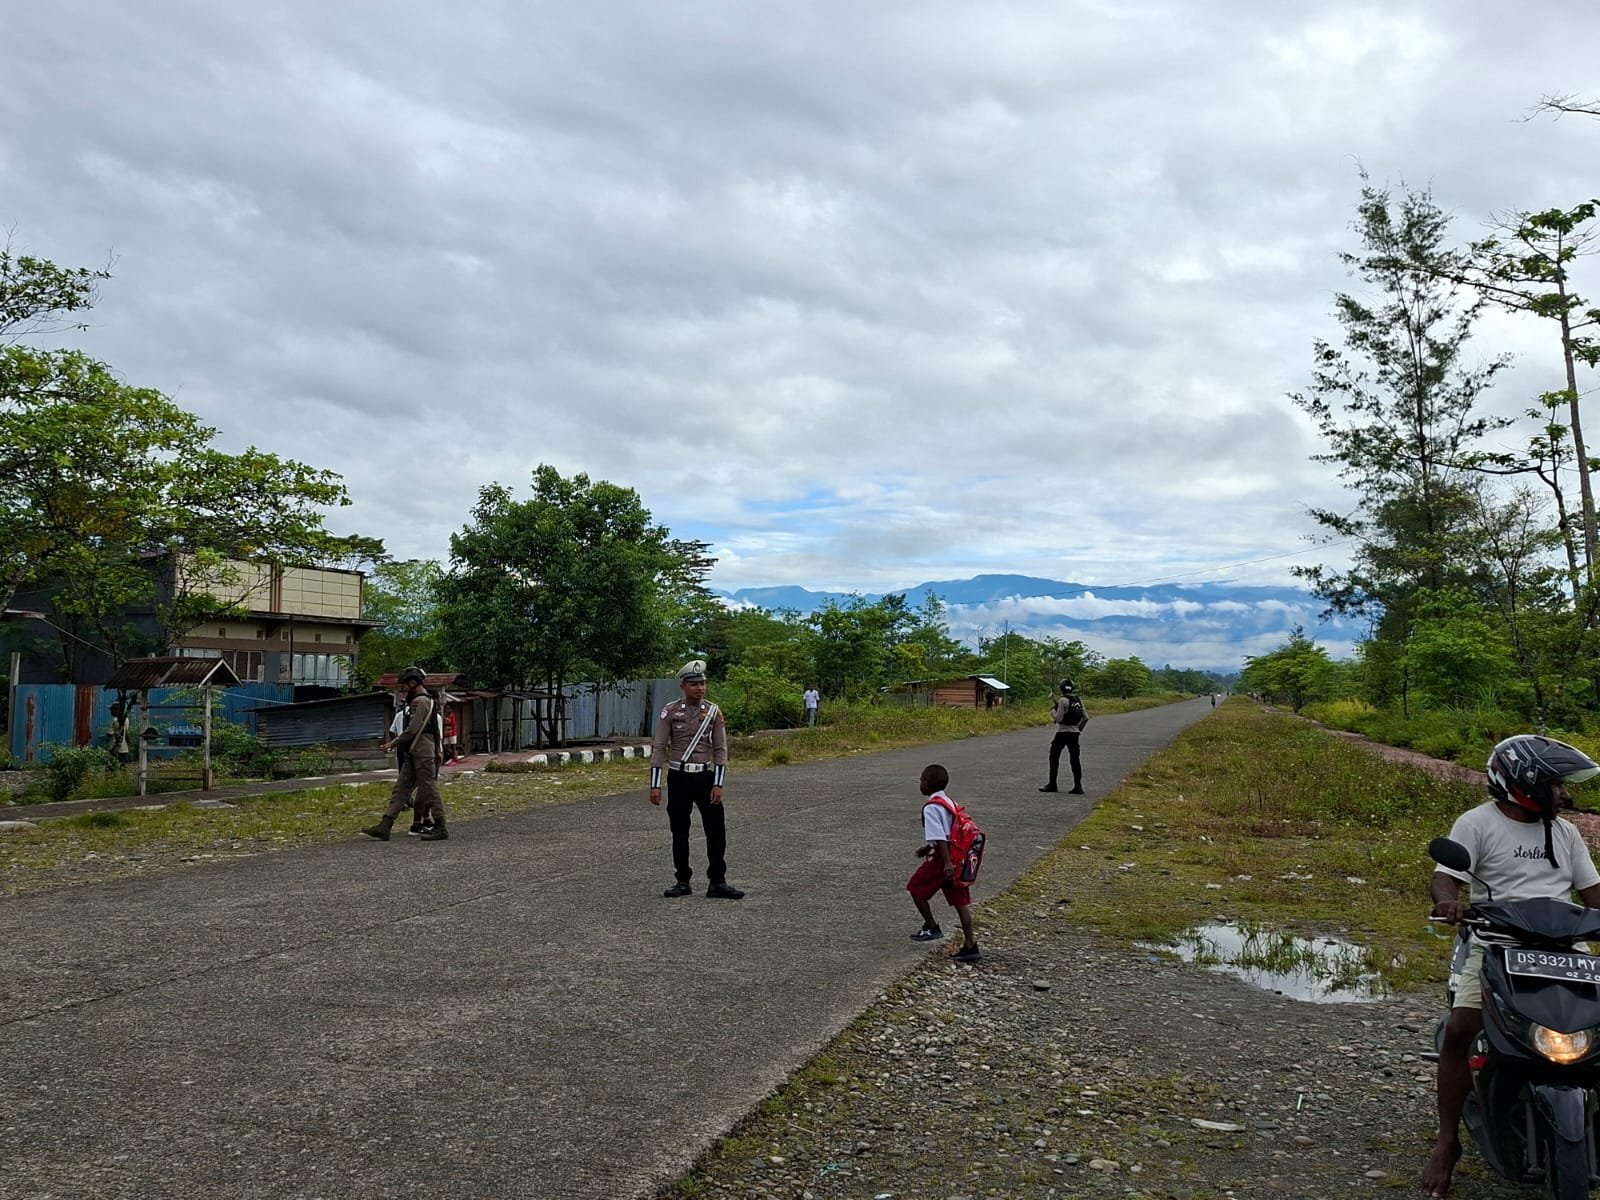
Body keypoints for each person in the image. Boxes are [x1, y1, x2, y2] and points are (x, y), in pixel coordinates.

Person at [1422, 734, 1600, 1198]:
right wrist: (1448, 903)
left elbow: (1592, 892)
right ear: (1525, 783)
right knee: (1461, 1029)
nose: (1564, 794)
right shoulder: (1477, 823)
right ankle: (1446, 1143)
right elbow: (1445, 877)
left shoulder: (1565, 833)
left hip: (1564, 946)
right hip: (1497, 944)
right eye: (1556, 785)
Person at [650, 659, 742, 898]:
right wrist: (655, 785)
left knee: (716, 831)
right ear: (683, 685)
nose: (700, 688)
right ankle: (682, 880)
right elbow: (659, 747)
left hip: (704, 777)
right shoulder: (671, 711)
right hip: (679, 777)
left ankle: (717, 881)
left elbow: (720, 749)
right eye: (694, 684)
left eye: (702, 683)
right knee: (680, 831)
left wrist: (718, 783)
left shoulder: (713, 712)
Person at [363, 666, 448, 842]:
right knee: (401, 788)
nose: (402, 690)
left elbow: (412, 730)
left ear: (413, 683)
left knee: (429, 789)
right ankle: (385, 825)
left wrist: (392, 743)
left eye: (404, 685)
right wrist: (438, 749)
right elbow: (434, 730)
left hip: (422, 753)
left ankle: (441, 826)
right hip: (415, 752)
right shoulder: (424, 701)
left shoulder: (420, 702)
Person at [907, 763, 980, 962]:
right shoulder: (949, 801)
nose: (920, 784)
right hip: (958, 857)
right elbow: (949, 831)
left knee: (915, 888)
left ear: (926, 783)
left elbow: (940, 837)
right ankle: (970, 945)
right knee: (960, 902)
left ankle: (931, 926)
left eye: (921, 780)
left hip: (944, 859)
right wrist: (928, 848)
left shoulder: (931, 807)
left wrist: (946, 863)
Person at [1038, 679, 1087, 794]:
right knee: (1075, 759)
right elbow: (1086, 718)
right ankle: (1078, 785)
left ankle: (1052, 784)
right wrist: (1078, 729)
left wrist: (1052, 712)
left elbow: (1059, 718)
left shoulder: (1062, 700)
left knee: (1054, 757)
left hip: (1062, 732)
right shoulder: (1078, 700)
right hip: (1074, 733)